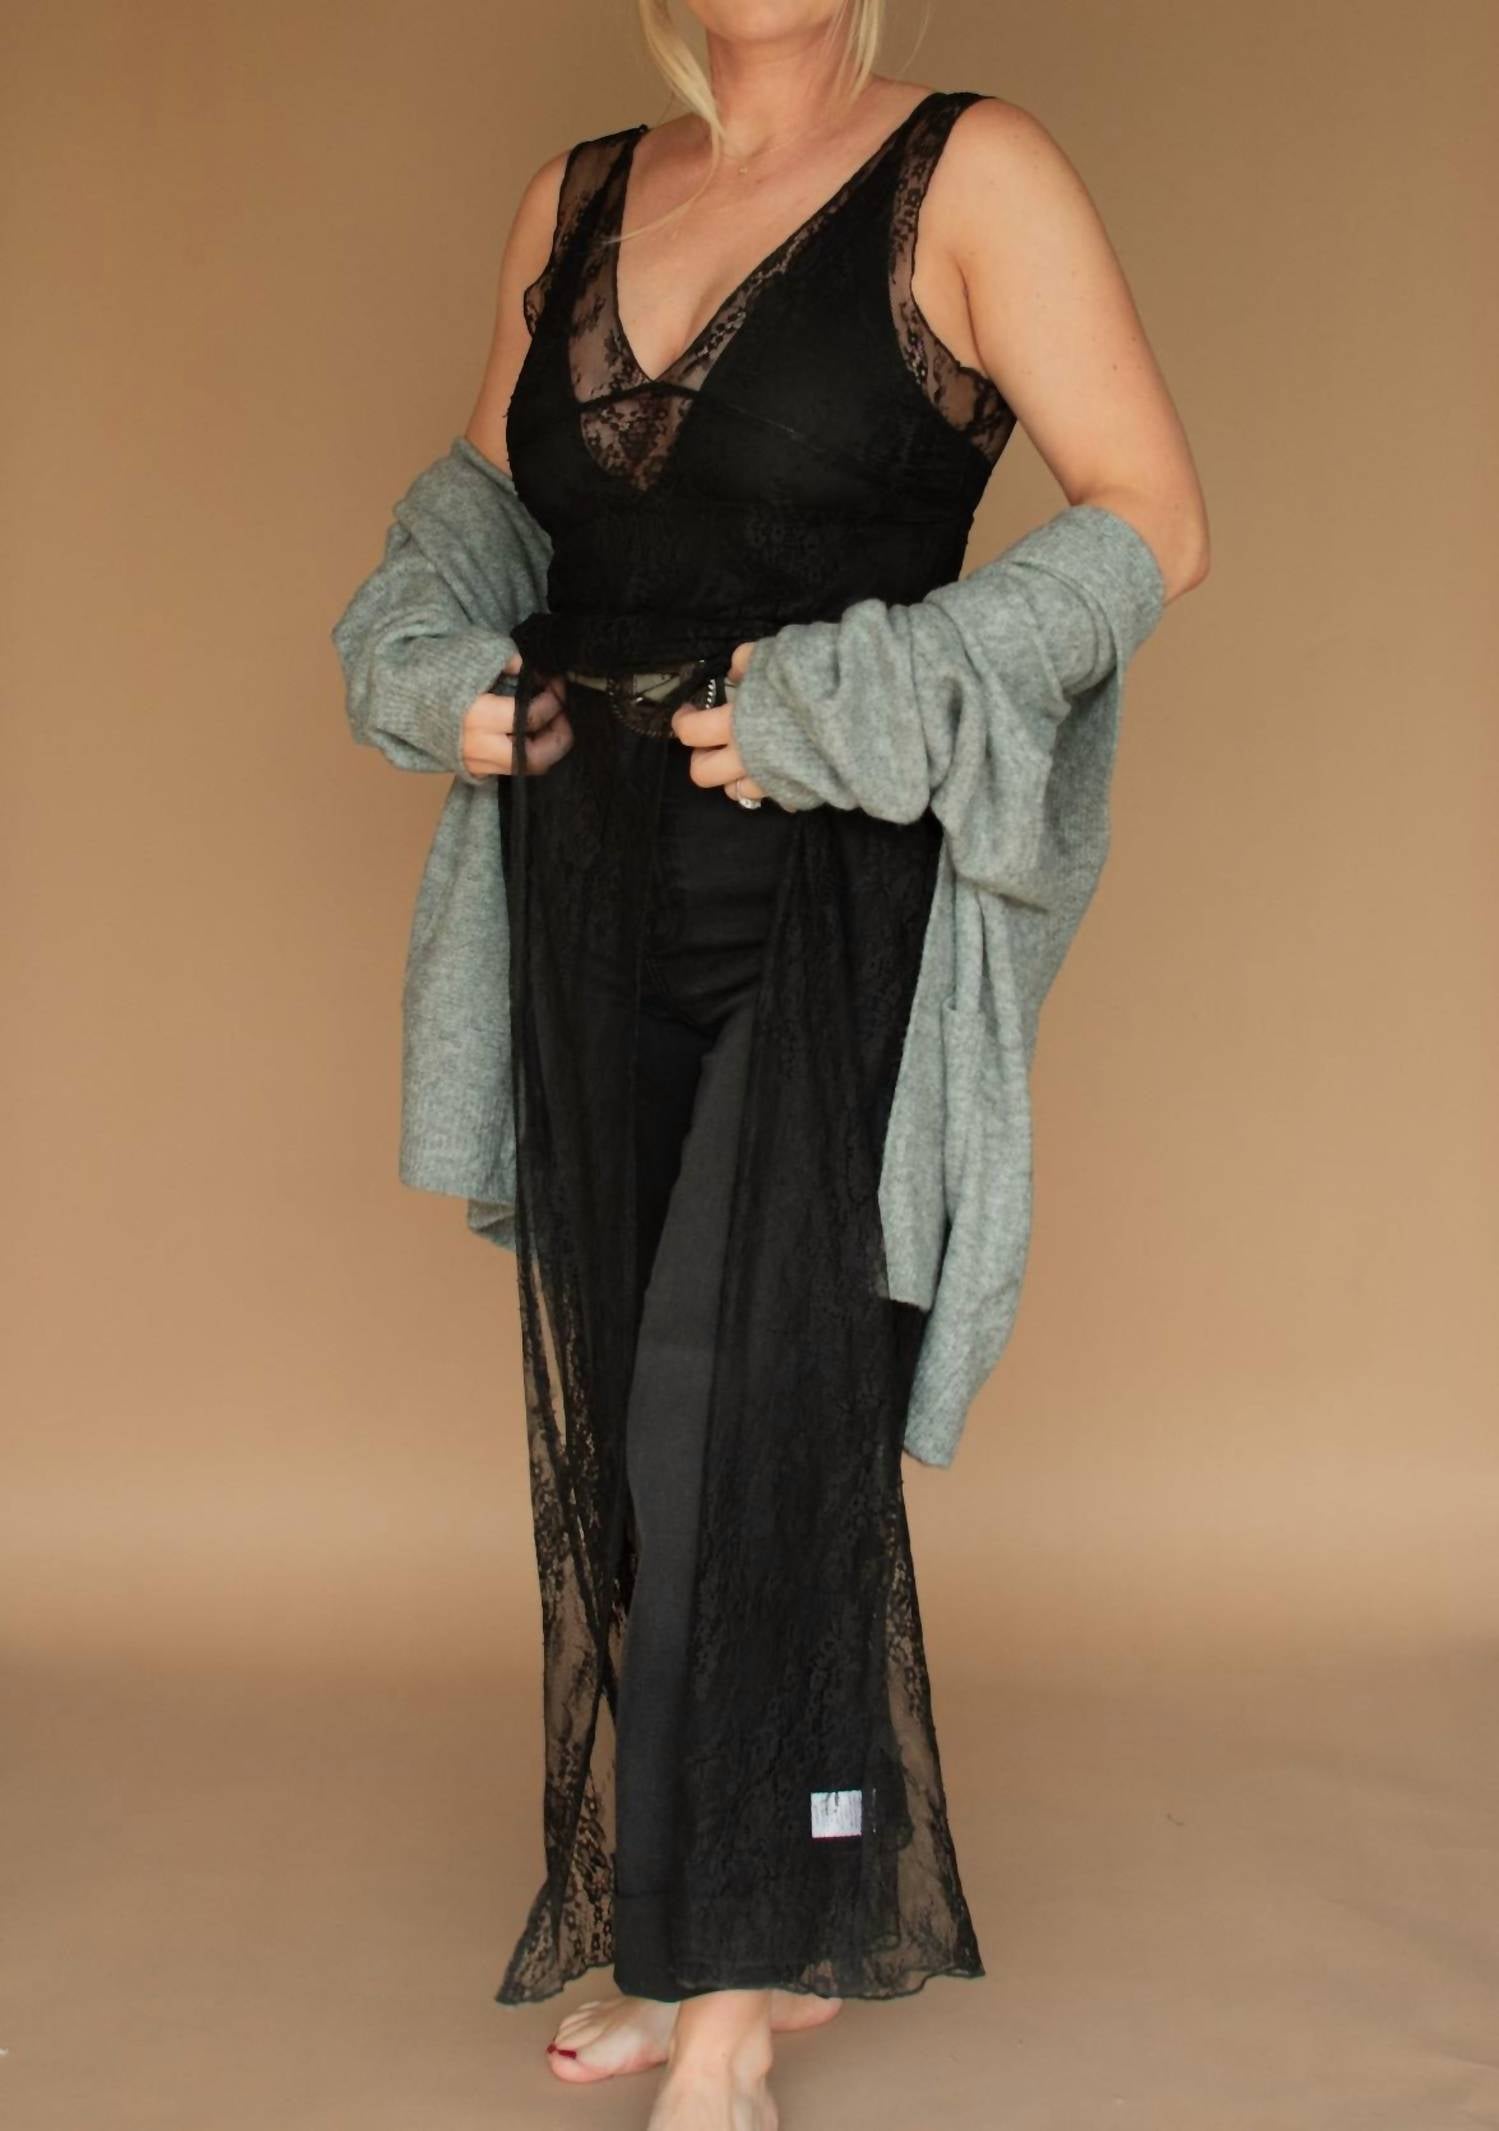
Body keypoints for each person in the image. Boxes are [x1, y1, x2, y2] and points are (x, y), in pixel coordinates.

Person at [454, 9, 1208, 2128]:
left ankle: (727, 1987)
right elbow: (483, 512)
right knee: (639, 1403)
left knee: (741, 1404)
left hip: (829, 891)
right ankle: (739, 1905)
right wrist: (424, 658)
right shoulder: (574, 197)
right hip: (580, 882)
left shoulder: (968, 174)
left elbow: (1153, 522)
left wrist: (875, 693)